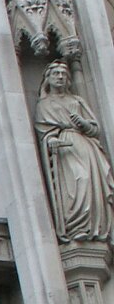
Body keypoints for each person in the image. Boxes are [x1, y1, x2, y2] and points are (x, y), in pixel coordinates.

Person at [35, 60, 114, 243]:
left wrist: (84, 124)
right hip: (66, 149)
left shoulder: (77, 101)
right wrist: (51, 140)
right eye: (56, 74)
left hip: (86, 146)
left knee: (91, 184)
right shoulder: (43, 104)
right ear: (48, 78)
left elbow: (95, 129)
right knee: (79, 181)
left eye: (64, 74)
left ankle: (96, 227)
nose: (60, 77)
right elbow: (44, 131)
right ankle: (77, 227)